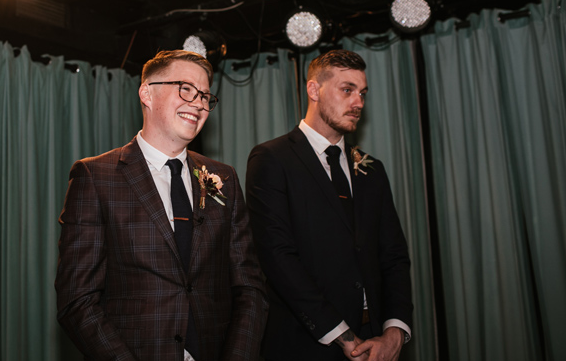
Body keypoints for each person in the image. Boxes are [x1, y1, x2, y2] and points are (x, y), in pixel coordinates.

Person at [55, 49, 268, 360]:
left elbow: (250, 288)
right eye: (186, 89)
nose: (198, 103)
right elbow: (78, 300)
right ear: (147, 94)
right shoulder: (96, 176)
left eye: (205, 96)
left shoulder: (225, 178)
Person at [245, 49, 413, 361]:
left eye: (362, 93)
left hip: (377, 342)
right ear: (314, 90)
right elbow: (277, 257)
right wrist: (343, 337)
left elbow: (393, 256)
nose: (359, 103)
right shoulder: (272, 159)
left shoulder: (371, 168)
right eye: (347, 90)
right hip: (306, 344)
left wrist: (394, 332)